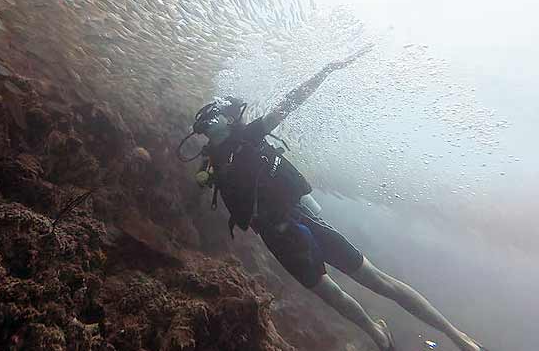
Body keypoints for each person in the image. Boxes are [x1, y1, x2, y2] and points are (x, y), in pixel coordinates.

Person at [178, 48, 488, 351]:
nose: (207, 124)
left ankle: (457, 336)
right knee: (332, 295)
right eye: (205, 122)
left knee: (380, 282)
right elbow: (208, 194)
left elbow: (289, 103)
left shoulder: (249, 134)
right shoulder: (211, 160)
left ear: (228, 120)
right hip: (274, 236)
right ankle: (374, 330)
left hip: (301, 217)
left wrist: (325, 71)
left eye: (213, 116)